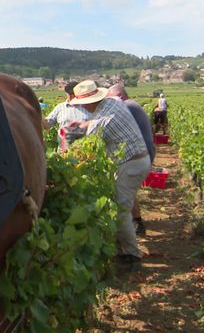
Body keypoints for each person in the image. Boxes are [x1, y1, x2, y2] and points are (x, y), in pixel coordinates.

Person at [69, 80, 150, 270]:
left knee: (121, 210)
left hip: (131, 165)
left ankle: (131, 255)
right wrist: (82, 123)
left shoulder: (103, 121)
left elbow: (88, 145)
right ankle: (124, 248)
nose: (81, 108)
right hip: (137, 160)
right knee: (121, 206)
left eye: (81, 104)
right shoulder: (114, 102)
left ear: (90, 102)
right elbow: (96, 121)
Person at [107, 84, 155, 235]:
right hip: (143, 152)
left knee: (127, 191)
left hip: (139, 154)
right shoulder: (132, 104)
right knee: (130, 190)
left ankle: (135, 224)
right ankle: (136, 221)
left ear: (119, 96)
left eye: (111, 98)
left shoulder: (127, 106)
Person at [42, 81, 93, 150]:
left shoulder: (87, 106)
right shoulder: (60, 107)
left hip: (86, 151)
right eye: (69, 94)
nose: (71, 96)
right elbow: (48, 123)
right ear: (66, 93)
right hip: (64, 150)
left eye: (73, 94)